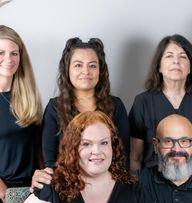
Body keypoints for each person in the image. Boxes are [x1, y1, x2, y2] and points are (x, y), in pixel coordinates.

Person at [12, 111, 161, 203]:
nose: (96, 151)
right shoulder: (50, 188)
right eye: (86, 144)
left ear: (113, 147)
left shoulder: (137, 192)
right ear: (73, 148)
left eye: (104, 143)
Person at [31, 37, 130, 190]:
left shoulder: (116, 106)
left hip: (109, 188)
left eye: (92, 65)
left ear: (100, 70)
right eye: (78, 65)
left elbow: (123, 158)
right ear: (67, 69)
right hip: (68, 189)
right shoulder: (54, 108)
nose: (86, 71)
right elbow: (50, 163)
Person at [129, 34, 192, 172]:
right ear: (159, 66)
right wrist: (137, 190)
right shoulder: (142, 102)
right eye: (169, 56)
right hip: (152, 186)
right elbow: (135, 157)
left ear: (190, 67)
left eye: (183, 56)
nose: (176, 61)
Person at [0, 25, 43, 203]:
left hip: (30, 192)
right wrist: (6, 195)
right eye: (1, 53)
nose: (9, 59)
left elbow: (38, 147)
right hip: (2, 194)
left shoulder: (28, 96)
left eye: (14, 53)